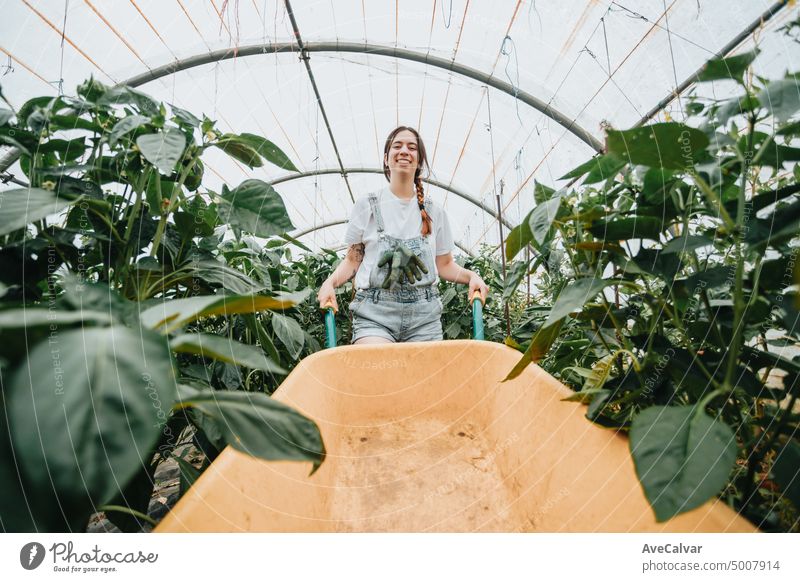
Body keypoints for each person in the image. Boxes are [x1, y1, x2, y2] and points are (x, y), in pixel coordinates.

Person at [316, 126, 489, 344]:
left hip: (424, 318)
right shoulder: (367, 205)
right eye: (397, 146)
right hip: (375, 314)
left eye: (412, 147)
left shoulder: (434, 211)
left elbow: (445, 265)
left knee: (424, 376)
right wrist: (329, 283)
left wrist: (472, 276)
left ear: (419, 161)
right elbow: (353, 260)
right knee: (380, 371)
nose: (404, 151)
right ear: (387, 159)